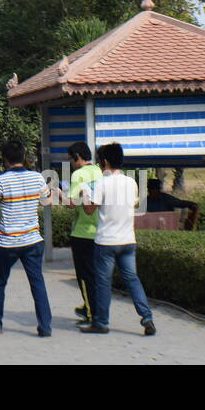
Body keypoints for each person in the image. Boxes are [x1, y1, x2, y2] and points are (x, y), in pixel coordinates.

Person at [80, 143, 156, 336]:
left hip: (106, 241)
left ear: (104, 161)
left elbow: (89, 210)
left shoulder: (102, 183)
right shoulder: (131, 182)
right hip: (128, 240)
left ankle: (101, 322)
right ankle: (147, 318)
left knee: (103, 283)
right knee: (132, 279)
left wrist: (85, 194)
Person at [0, 141, 52, 336]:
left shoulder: (0, 181)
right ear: (23, 156)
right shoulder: (37, 178)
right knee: (37, 282)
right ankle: (45, 327)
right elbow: (47, 201)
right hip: (32, 240)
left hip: (8, 242)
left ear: (5, 159)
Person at [65, 141, 102, 326]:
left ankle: (91, 313)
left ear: (78, 157)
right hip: (100, 231)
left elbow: (71, 202)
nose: (71, 163)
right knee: (95, 274)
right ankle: (94, 307)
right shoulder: (99, 171)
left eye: (71, 160)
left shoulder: (78, 174)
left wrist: (58, 194)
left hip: (82, 232)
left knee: (85, 276)